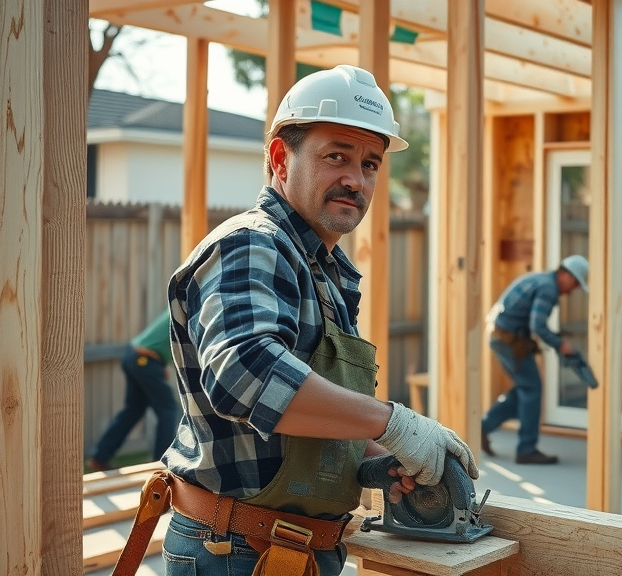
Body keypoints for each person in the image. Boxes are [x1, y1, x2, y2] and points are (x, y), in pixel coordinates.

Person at [113, 65, 477, 576]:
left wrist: (372, 455)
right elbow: (245, 375)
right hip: (234, 551)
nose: (356, 179)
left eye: (371, 164)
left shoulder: (324, 270)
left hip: (290, 549)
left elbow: (300, 412)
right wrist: (394, 422)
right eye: (337, 157)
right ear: (281, 158)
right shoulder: (251, 245)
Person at [481, 255, 589, 465]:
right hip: (508, 339)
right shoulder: (548, 289)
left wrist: (554, 336)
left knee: (525, 388)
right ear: (566, 275)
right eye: (575, 283)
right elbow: (537, 325)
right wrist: (560, 344)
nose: (573, 290)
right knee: (532, 389)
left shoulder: (539, 279)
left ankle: (484, 426)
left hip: (499, 335)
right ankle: (526, 449)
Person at [87, 308, 182, 472]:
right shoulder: (187, 308)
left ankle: (100, 457)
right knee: (168, 409)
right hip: (144, 359)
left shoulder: (178, 305)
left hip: (136, 355)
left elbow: (165, 341)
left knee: (134, 409)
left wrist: (160, 364)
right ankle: (160, 466)